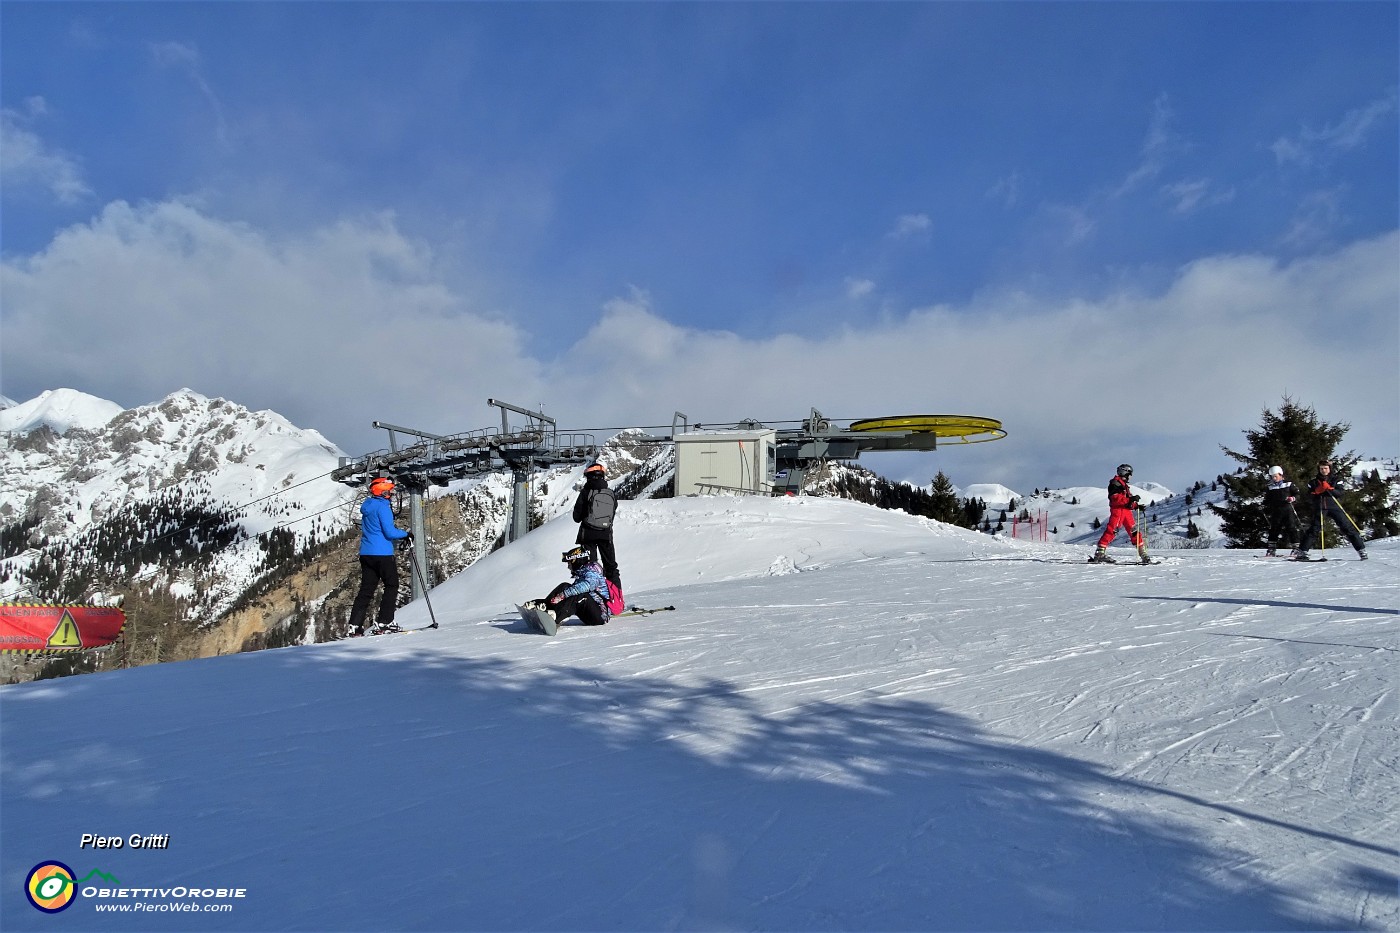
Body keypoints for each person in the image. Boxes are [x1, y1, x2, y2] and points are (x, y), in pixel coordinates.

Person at [348, 476, 411, 635]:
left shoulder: (368, 506)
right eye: (389, 491)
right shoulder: (383, 507)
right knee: (392, 585)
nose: (392, 493)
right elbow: (389, 532)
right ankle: (385, 622)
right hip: (382, 553)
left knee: (366, 589)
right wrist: (406, 534)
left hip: (366, 553)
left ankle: (355, 625)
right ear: (382, 491)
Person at [1295, 460, 1367, 561]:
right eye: (1321, 469)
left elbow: (1340, 493)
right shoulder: (1313, 481)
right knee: (1314, 529)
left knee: (1347, 527)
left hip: (1334, 506)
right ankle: (1302, 551)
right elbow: (1308, 496)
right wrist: (1316, 491)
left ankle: (1361, 550)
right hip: (1320, 506)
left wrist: (1330, 489)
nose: (1324, 470)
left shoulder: (1336, 479)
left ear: (1329, 469)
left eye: (1326, 468)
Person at [525, 546, 613, 627]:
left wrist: (562, 595)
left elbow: (586, 586)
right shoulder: (583, 572)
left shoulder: (593, 572)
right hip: (588, 613)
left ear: (577, 561)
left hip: (600, 616)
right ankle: (544, 606)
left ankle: (555, 618)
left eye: (570, 563)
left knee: (579, 595)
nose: (569, 567)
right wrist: (560, 596)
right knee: (565, 586)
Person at [572, 462, 621, 590]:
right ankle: (616, 599)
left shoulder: (586, 492)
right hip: (606, 534)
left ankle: (594, 600)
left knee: (590, 568)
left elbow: (576, 517)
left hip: (588, 535)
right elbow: (612, 513)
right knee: (611, 567)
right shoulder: (610, 493)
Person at [1089, 463, 1151, 564]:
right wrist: (1130, 499)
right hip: (1118, 511)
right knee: (1112, 530)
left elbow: (1127, 500)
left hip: (1126, 512)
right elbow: (1115, 499)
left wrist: (1136, 506)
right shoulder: (1115, 484)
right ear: (1125, 473)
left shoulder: (1124, 485)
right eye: (1129, 474)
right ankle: (1100, 553)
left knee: (1134, 531)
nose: (1130, 477)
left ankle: (1143, 553)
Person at [1261, 465, 1301, 558]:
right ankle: (1271, 549)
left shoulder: (1288, 484)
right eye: (1272, 477)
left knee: (1291, 528)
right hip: (1276, 510)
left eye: (1276, 476)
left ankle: (1296, 548)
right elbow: (1268, 499)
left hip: (1288, 509)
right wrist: (1262, 504)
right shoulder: (1270, 487)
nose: (1274, 478)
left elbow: (1297, 494)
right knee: (1274, 529)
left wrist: (1293, 498)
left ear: (1281, 475)